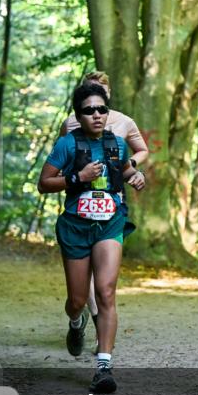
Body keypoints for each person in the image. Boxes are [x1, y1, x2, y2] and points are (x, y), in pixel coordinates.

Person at [38, 83, 146, 393]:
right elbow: (44, 183)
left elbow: (124, 171)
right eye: (89, 110)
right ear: (78, 115)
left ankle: (103, 366)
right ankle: (76, 321)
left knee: (106, 292)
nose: (96, 115)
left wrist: (135, 177)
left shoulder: (117, 143)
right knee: (78, 300)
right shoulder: (67, 145)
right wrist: (78, 177)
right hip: (75, 226)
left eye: (102, 109)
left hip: (109, 223)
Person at [60, 71, 149, 351]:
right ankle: (81, 316)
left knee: (105, 282)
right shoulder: (71, 124)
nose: (96, 112)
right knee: (81, 281)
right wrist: (76, 179)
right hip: (79, 205)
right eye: (91, 90)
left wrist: (130, 168)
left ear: (108, 94)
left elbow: (140, 151)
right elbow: (62, 161)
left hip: (112, 206)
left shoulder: (124, 122)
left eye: (102, 92)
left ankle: (103, 348)